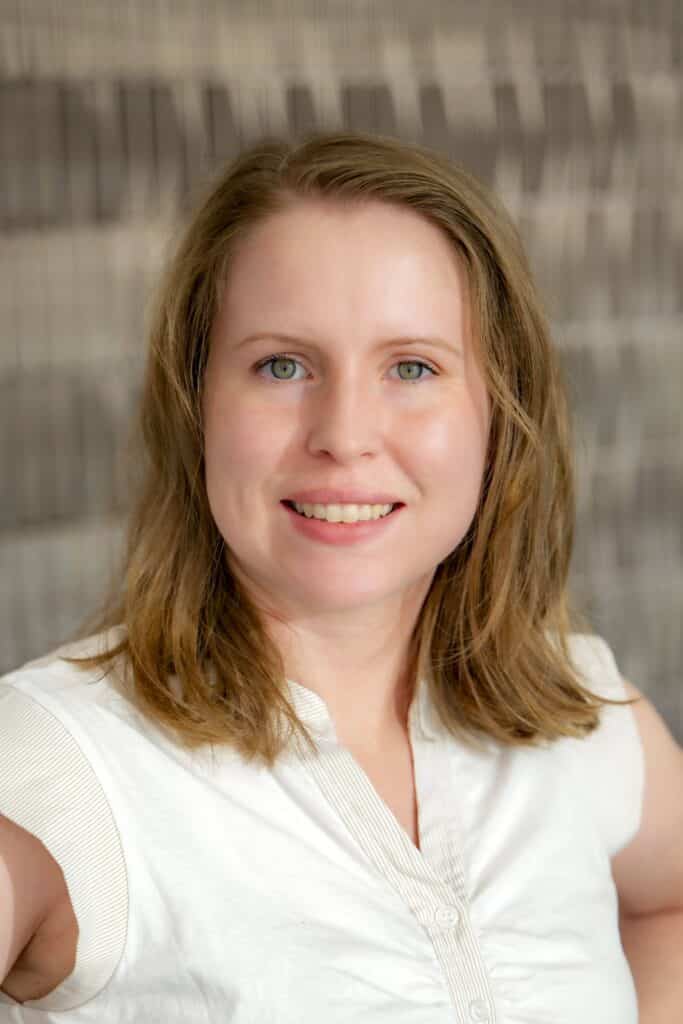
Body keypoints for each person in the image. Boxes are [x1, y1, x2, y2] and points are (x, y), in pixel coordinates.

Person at [0, 131, 681, 1023]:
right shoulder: (51, 763)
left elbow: (666, 903)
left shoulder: (584, 711)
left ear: (497, 414)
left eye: (411, 367)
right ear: (195, 402)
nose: (345, 433)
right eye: (282, 365)